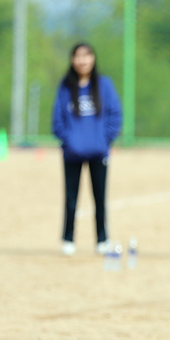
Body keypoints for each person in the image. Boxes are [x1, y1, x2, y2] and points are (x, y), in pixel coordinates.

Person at [51, 42, 122, 256]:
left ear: (93, 59)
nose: (82, 60)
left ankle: (102, 239)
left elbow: (115, 114)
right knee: (71, 198)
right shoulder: (65, 86)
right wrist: (70, 141)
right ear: (72, 60)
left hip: (99, 152)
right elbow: (57, 120)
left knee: (99, 198)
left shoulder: (104, 84)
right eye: (78, 56)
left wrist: (104, 140)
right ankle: (68, 239)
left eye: (86, 55)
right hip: (72, 153)